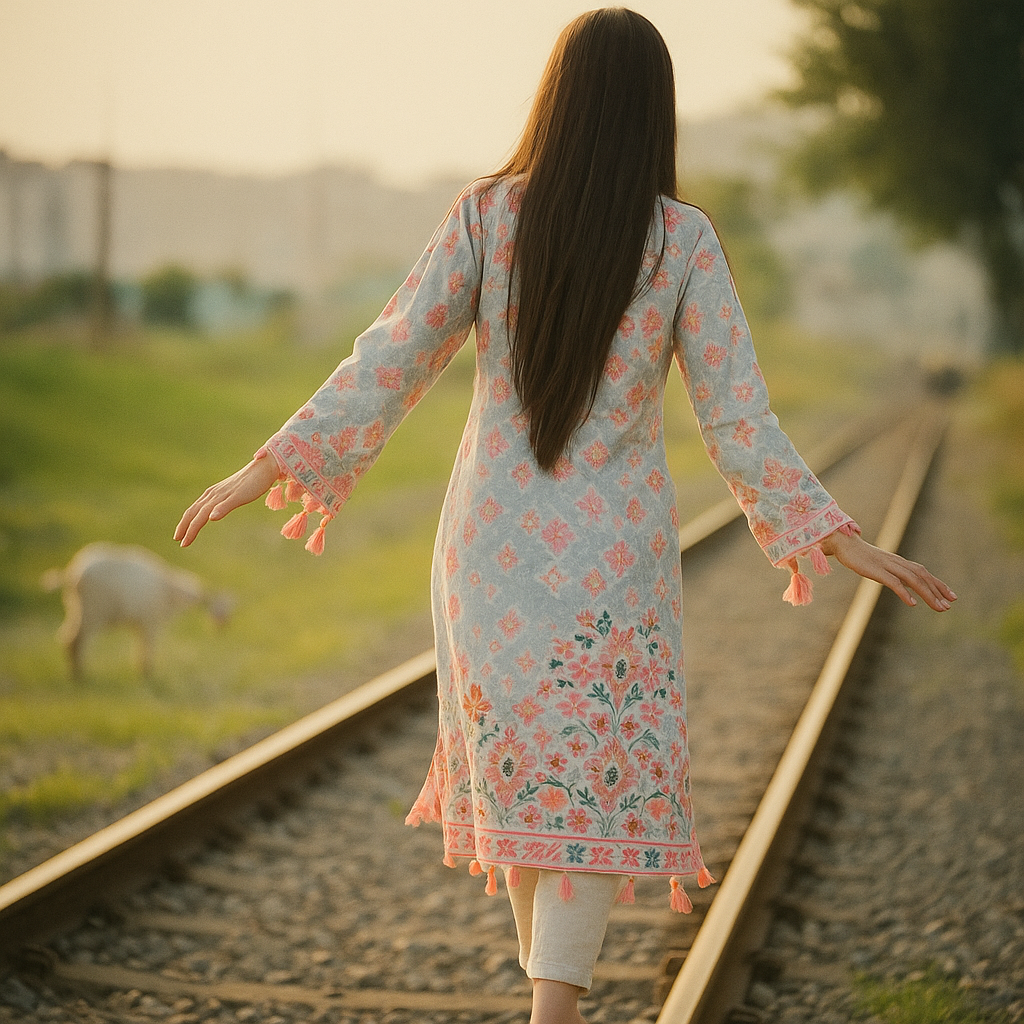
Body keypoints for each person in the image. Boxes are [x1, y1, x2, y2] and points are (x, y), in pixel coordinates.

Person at [176, 9, 956, 1023]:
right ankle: (558, 1008)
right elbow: (740, 420)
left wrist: (272, 463)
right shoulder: (682, 242)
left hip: (487, 551)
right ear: (651, 112)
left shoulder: (483, 216)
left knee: (526, 788)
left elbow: (389, 358)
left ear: (557, 96)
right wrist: (832, 534)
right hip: (613, 557)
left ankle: (552, 1008)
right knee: (582, 781)